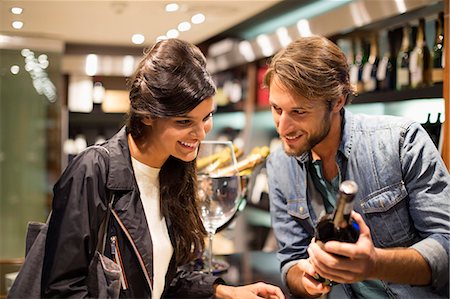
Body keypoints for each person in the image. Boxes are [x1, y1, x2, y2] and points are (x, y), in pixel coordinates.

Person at [41, 38, 285, 299]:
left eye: (206, 118)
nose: (200, 134)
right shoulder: (93, 171)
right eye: (184, 121)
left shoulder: (176, 170)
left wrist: (224, 291)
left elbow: (167, 277)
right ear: (147, 114)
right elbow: (61, 289)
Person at [263, 35, 450, 298]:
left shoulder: (400, 141)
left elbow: (446, 246)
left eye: (299, 112)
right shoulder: (279, 165)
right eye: (276, 108)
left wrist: (374, 264)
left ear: (337, 101)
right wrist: (306, 279)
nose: (282, 127)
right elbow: (290, 260)